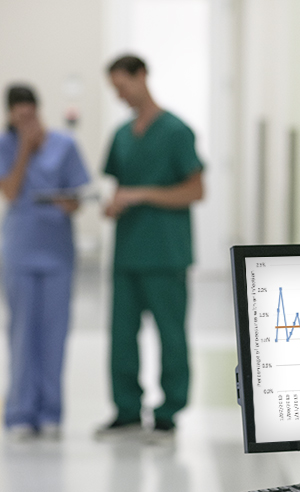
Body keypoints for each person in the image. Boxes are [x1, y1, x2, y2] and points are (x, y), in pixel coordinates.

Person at [96, 55, 204, 441]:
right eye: (114, 89)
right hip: (127, 253)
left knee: (170, 334)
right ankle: (125, 409)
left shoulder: (177, 132)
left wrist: (142, 194)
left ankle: (168, 411)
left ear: (141, 76)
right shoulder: (122, 134)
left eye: (122, 86)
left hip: (165, 252)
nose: (119, 95)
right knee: (121, 336)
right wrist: (112, 205)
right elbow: (116, 187)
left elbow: (196, 189)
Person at [0, 85, 90, 440]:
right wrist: (24, 148)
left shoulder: (65, 145)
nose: (25, 121)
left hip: (57, 253)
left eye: (30, 115)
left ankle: (51, 411)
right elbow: (10, 191)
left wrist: (69, 203)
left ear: (38, 111)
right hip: (20, 250)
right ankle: (22, 410)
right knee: (21, 333)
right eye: (17, 117)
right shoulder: (6, 146)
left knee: (55, 333)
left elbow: (78, 195)